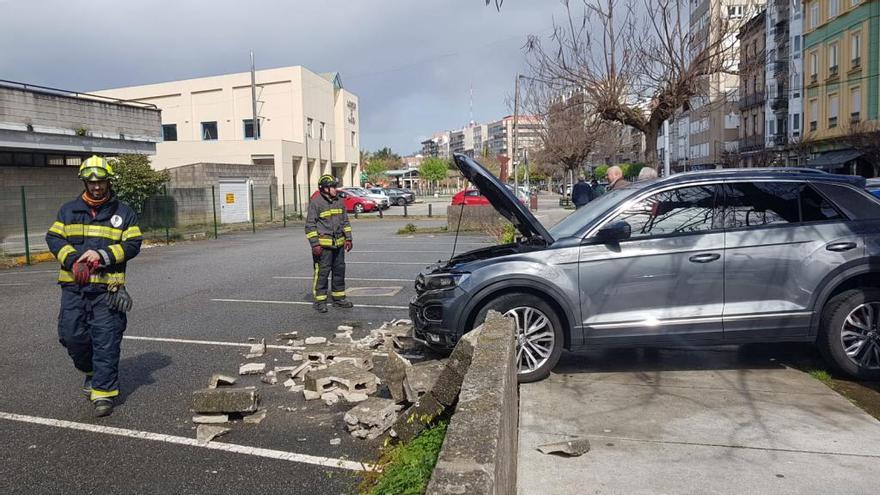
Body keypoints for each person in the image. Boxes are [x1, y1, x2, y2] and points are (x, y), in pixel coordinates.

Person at [45, 155, 142, 417]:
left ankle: (103, 392)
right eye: (91, 182)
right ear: (84, 182)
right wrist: (74, 260)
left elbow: (133, 245)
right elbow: (53, 237)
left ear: (108, 181)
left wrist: (102, 256)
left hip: (108, 290)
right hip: (74, 288)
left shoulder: (124, 212)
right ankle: (90, 371)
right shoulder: (68, 211)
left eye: (101, 181)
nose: (96, 186)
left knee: (106, 340)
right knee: (72, 337)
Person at [305, 175, 354, 313]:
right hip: (323, 247)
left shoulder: (339, 201)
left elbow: (345, 222)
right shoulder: (316, 203)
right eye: (333, 187)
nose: (335, 189)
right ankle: (320, 301)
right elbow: (310, 226)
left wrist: (348, 238)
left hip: (338, 245)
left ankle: (338, 298)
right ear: (325, 188)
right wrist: (315, 245)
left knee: (339, 272)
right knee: (322, 273)